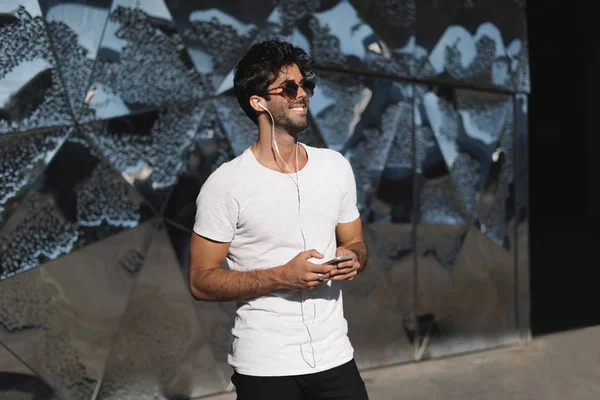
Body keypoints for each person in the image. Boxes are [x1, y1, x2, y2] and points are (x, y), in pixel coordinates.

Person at [189, 39, 369, 400]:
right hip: (266, 367)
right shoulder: (225, 184)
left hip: (336, 358)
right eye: (289, 87)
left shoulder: (335, 167)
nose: (302, 94)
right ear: (258, 102)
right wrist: (280, 277)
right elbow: (201, 281)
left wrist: (354, 259)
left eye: (306, 85)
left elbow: (356, 242)